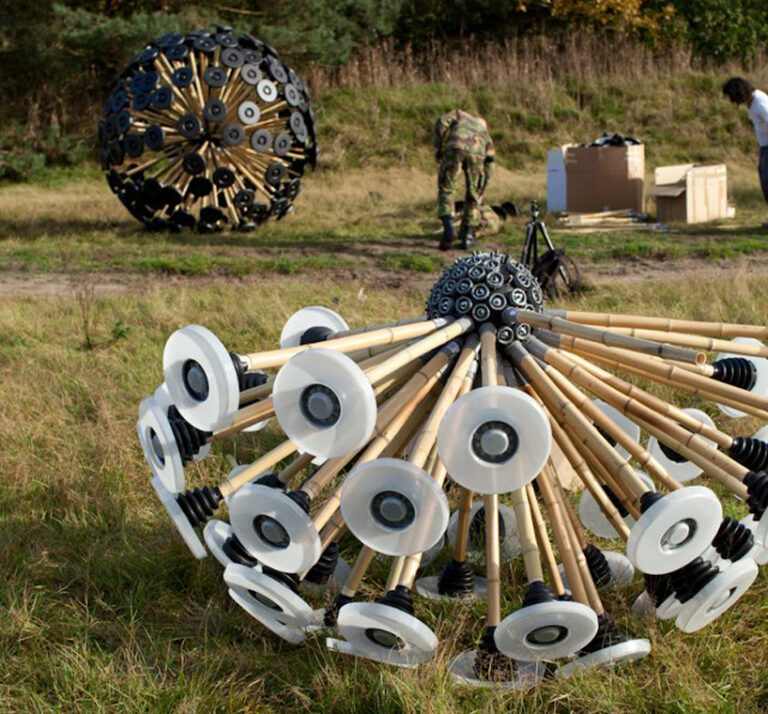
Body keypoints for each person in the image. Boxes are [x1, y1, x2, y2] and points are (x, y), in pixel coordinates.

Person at [434, 109, 495, 250]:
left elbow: (441, 122)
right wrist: (482, 185)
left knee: (447, 188)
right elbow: (490, 162)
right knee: (473, 194)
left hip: (455, 147)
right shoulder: (485, 134)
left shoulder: (459, 114)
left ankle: (449, 227)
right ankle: (467, 237)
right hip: (478, 153)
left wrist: (438, 147)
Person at [722, 77, 768, 219]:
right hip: (764, 145)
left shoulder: (760, 103)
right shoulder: (753, 101)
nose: (731, 101)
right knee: (764, 179)